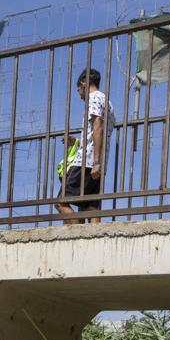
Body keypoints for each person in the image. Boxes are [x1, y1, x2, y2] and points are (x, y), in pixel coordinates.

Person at [55, 68, 115, 225]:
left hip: (87, 161)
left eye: (79, 90)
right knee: (91, 206)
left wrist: (95, 162)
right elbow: (99, 132)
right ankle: (94, 241)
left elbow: (97, 126)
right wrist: (76, 142)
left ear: (83, 84)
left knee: (61, 201)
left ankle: (78, 235)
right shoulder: (107, 102)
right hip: (100, 160)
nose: (80, 95)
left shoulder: (93, 99)